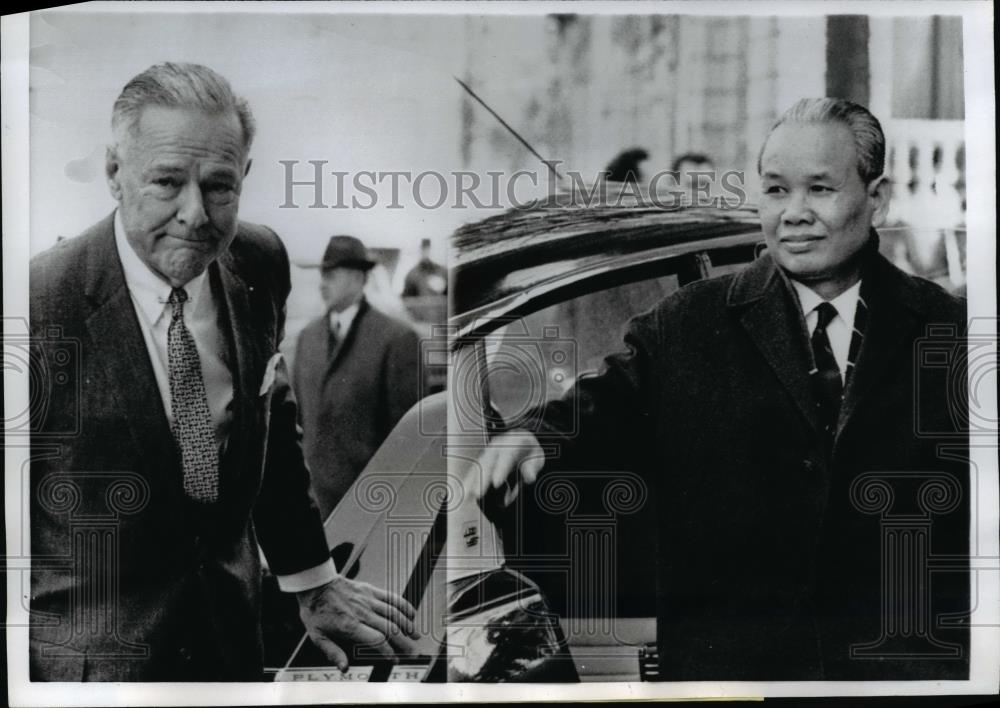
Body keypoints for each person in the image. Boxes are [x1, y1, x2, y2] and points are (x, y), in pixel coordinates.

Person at [475, 98, 969, 681]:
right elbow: (607, 398)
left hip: (898, 672)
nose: (795, 213)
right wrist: (536, 436)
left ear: (876, 199)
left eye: (820, 189)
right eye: (776, 190)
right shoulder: (689, 321)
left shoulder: (947, 330)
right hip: (733, 675)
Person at [29, 63, 416, 681]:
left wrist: (313, 583)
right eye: (166, 182)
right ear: (113, 173)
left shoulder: (260, 260)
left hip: (229, 653)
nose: (195, 214)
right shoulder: (36, 301)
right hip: (94, 677)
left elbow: (270, 425)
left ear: (245, 177)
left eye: (219, 186)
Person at [293, 235, 421, 519]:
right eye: (320, 274)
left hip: (371, 511)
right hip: (315, 512)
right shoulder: (307, 338)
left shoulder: (396, 339)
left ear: (357, 278)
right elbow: (298, 422)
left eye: (330, 274)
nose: (321, 283)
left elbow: (406, 437)